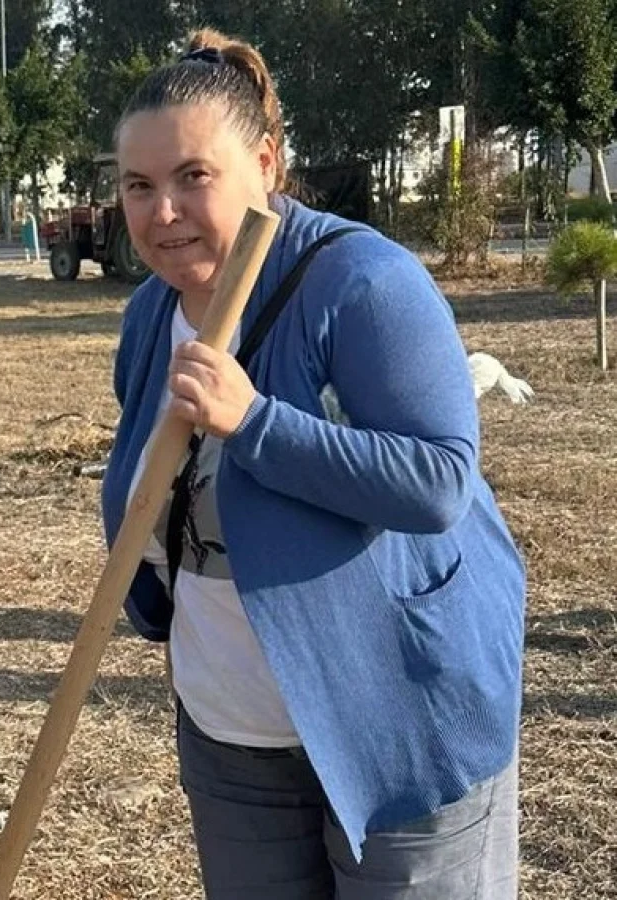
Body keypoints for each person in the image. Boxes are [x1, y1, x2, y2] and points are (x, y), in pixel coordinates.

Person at [100, 29, 525, 899]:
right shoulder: (150, 316)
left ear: (265, 161)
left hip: (395, 722)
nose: (163, 212)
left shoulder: (364, 282)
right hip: (233, 732)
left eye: (192, 177)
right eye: (139, 186)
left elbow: (439, 480)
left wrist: (253, 421)